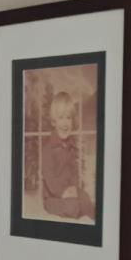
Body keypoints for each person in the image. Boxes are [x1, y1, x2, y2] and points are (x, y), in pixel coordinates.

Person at [41, 91, 95, 220]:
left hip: (69, 191)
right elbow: (49, 178)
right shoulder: (48, 148)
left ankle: (95, 217)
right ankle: (80, 210)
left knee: (85, 197)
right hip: (53, 198)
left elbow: (73, 171)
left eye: (68, 118)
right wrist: (62, 192)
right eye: (61, 118)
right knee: (72, 206)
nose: (65, 123)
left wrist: (74, 188)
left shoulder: (70, 147)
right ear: (53, 122)